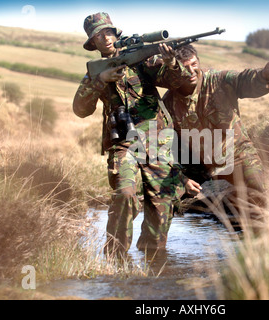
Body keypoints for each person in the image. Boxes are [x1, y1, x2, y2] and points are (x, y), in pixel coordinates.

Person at [73, 12, 193, 255]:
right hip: (123, 141)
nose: (105, 39)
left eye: (108, 32)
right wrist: (101, 80)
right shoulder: (95, 72)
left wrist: (171, 62)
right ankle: (115, 256)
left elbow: (180, 81)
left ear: (115, 34)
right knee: (125, 194)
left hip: (157, 138)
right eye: (98, 36)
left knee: (162, 202)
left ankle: (153, 257)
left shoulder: (142, 60)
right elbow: (80, 110)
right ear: (92, 43)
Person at [163, 44, 269, 230]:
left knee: (259, 194)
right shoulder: (169, 101)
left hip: (237, 156)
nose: (191, 71)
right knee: (162, 194)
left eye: (194, 64)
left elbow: (245, 80)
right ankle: (157, 250)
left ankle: (263, 244)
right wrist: (182, 179)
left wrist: (265, 75)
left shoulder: (219, 80)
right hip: (199, 165)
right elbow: (167, 147)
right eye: (184, 67)